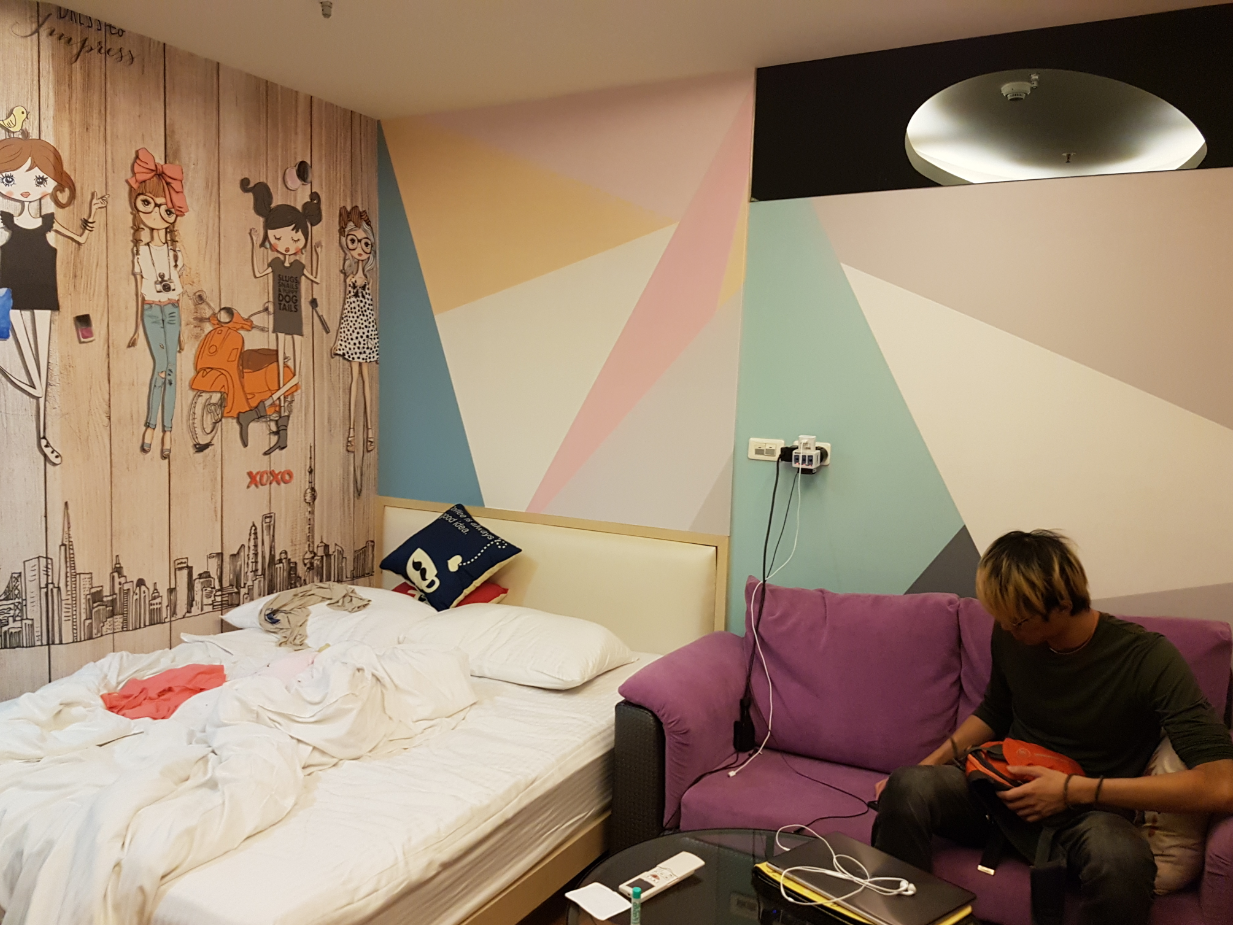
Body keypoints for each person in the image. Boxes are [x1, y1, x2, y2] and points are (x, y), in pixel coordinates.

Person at [872, 530, 1233, 925]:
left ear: (1062, 604)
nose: (1007, 629)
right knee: (908, 784)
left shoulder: (1148, 659)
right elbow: (995, 711)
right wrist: (928, 764)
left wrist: (1072, 791)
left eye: (1018, 621)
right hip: (1003, 790)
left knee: (1122, 861)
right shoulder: (1012, 636)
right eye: (1001, 619)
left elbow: (1223, 783)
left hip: (1085, 810)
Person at [0, 136, 108, 465]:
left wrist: (92, 212)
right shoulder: (4, 219)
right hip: (11, 294)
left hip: (45, 295)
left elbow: (80, 238)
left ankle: (43, 436)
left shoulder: (49, 222)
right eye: (10, 179)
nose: (25, 190)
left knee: (42, 378)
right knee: (34, 377)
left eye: (37, 180)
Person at [239, 178, 322, 455]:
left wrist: (318, 255)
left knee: (295, 377)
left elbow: (317, 278)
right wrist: (254, 244)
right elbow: (257, 271)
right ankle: (280, 432)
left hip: (296, 320)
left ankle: (254, 414)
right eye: (278, 238)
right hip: (281, 321)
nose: (287, 244)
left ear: (302, 240)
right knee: (282, 376)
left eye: (294, 239)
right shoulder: (274, 263)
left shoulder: (298, 266)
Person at [126, 148, 189, 460]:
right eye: (148, 204)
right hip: (151, 310)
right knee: (162, 368)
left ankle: (168, 430)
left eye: (167, 209)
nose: (157, 215)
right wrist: (137, 328)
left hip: (173, 310)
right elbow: (139, 292)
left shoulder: (176, 253)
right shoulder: (140, 253)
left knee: (172, 369)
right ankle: (151, 425)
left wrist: (182, 330)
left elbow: (180, 292)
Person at [332, 205, 377, 455]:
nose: (360, 248)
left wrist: (374, 342)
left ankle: (369, 432)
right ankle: (351, 432)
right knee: (354, 382)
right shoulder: (350, 281)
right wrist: (339, 341)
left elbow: (369, 313)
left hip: (365, 335)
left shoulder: (367, 281)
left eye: (365, 244)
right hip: (352, 334)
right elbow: (346, 312)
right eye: (354, 241)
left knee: (365, 381)